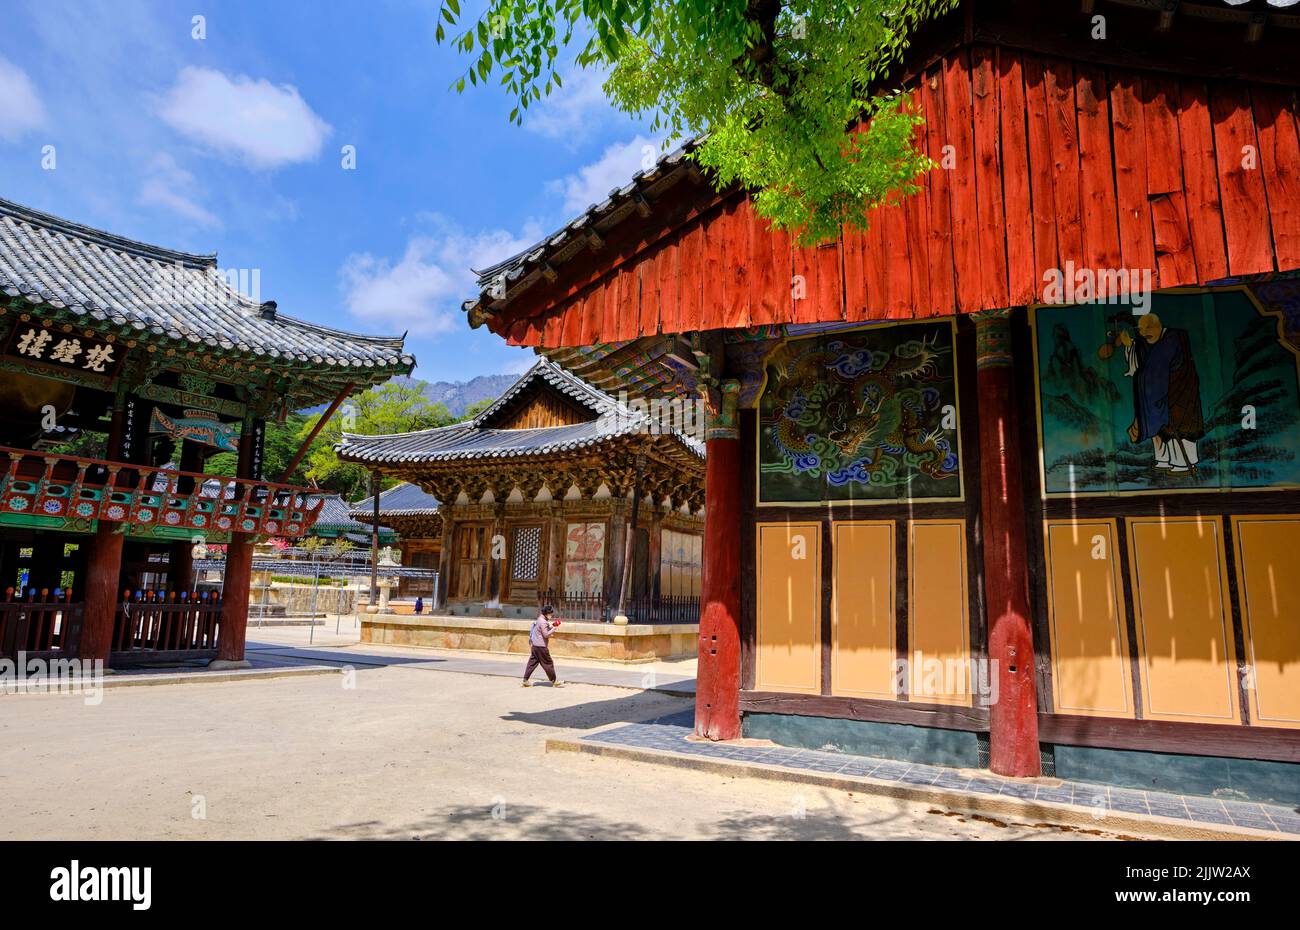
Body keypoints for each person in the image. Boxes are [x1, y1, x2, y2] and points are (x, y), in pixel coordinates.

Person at [522, 604, 563, 687]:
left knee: (532, 663)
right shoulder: (543, 622)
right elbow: (546, 635)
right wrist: (554, 629)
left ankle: (525, 680)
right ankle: (554, 681)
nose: (551, 615)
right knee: (548, 663)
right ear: (546, 613)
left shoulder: (539, 619)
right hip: (541, 647)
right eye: (550, 614)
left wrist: (551, 627)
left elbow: (542, 631)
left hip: (535, 646)